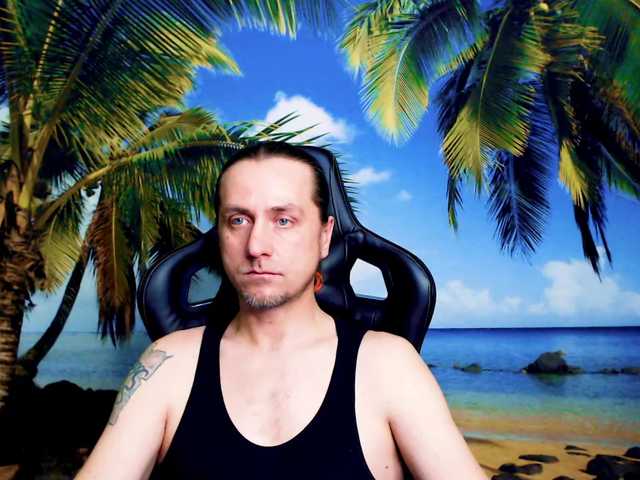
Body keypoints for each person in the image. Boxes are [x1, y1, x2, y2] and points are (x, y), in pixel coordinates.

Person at [75, 142, 488, 479]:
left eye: (284, 220)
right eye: (238, 220)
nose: (257, 246)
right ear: (220, 234)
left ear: (325, 236)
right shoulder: (168, 364)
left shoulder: (389, 365)